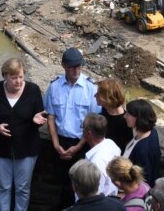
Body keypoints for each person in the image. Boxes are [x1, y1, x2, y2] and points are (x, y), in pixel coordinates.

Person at [0, 58, 47, 211]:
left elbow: (40, 115)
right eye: (14, 77)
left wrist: (37, 120)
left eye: (21, 77)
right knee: (3, 187)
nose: (18, 81)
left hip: (27, 149)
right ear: (5, 76)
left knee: (22, 188)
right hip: (0, 148)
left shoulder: (33, 90)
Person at [44, 48, 102, 210]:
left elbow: (93, 123)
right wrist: (56, 145)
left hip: (82, 143)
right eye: (72, 67)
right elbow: (51, 117)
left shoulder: (91, 89)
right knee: (62, 182)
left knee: (82, 186)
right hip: (60, 142)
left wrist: (78, 147)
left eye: (79, 66)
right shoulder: (55, 87)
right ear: (63, 65)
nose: (76, 70)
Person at [123, 99, 160, 187]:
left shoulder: (142, 149)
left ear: (137, 118)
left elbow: (142, 180)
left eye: (128, 114)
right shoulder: (152, 132)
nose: (125, 116)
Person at [82, 113, 121, 197]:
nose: (81, 131)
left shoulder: (96, 162)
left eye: (82, 128)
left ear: (89, 133)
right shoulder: (111, 144)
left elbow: (95, 193)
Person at [96, 78, 132, 152]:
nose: (95, 96)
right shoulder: (104, 109)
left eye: (98, 94)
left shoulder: (126, 123)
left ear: (107, 98)